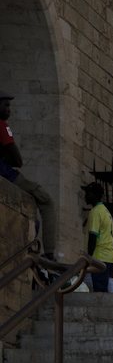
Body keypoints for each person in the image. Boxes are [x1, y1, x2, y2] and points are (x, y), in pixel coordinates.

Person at [0, 92, 58, 257]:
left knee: (32, 218)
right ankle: (50, 252)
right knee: (46, 201)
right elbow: (18, 160)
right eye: (6, 105)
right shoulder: (3, 126)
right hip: (7, 174)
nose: (9, 109)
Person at [82, 181, 113, 292]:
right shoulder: (105, 211)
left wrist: (88, 258)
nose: (85, 196)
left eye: (88, 193)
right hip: (110, 258)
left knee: (99, 293)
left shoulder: (96, 212)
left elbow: (93, 237)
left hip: (100, 259)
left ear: (94, 195)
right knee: (104, 292)